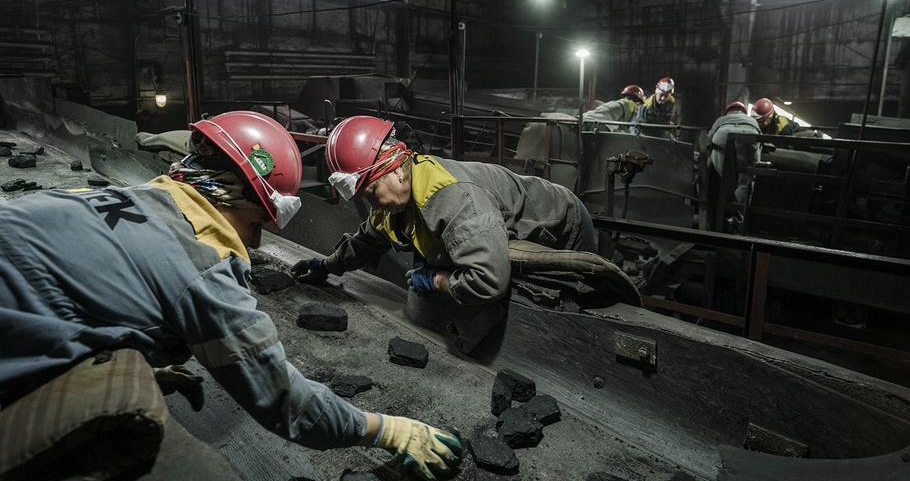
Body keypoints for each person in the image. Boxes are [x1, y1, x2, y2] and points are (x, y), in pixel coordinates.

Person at [0, 111, 461, 481]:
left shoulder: (90, 197)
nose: (255, 246)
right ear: (234, 196)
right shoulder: (200, 268)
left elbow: (76, 289)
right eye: (257, 225)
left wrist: (137, 351)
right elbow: (286, 402)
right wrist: (388, 429)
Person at [293, 115, 597, 307]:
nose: (372, 204)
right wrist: (327, 266)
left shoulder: (455, 201)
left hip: (558, 222)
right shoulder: (391, 199)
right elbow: (368, 240)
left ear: (396, 170)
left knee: (565, 296)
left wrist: (437, 280)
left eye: (371, 192)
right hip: (497, 222)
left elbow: (490, 281)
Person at [707, 101, 762, 205]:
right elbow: (760, 142)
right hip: (748, 135)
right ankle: (739, 213)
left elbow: (707, 140)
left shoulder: (721, 119)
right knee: (745, 181)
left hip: (723, 136)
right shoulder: (752, 120)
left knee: (723, 177)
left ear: (728, 112)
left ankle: (722, 209)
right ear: (744, 112)